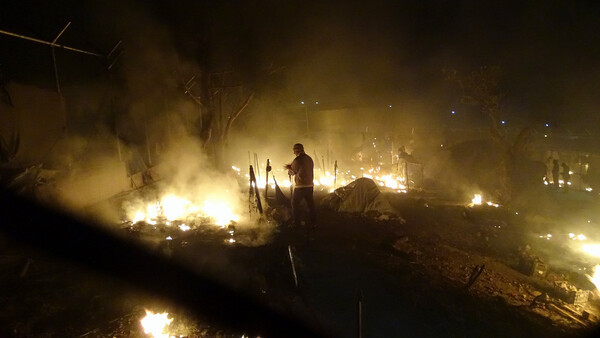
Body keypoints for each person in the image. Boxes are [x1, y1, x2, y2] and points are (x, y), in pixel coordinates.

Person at [284, 143, 316, 229]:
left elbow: (293, 172)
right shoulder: (309, 159)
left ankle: (297, 223)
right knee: (310, 205)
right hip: (310, 185)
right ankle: (313, 222)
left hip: (300, 186)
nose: (294, 153)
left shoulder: (297, 160)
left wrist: (289, 170)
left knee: (295, 204)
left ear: (296, 150)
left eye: (294, 151)